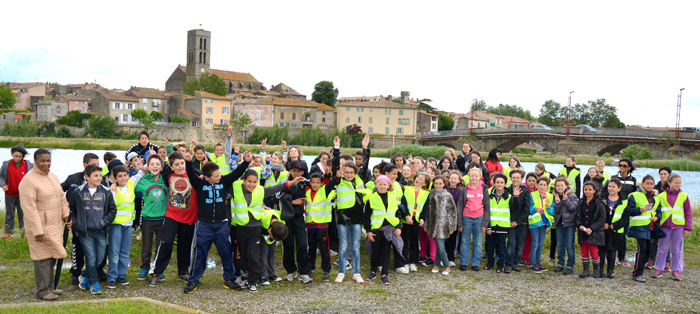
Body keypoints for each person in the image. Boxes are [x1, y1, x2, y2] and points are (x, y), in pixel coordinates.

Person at [183, 146, 250, 293]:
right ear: (206, 177)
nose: (219, 177)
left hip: (221, 224)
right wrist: (188, 162)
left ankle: (229, 279)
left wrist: (246, 162)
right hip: (205, 225)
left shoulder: (224, 182)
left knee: (226, 252)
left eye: (219, 174)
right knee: (200, 252)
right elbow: (190, 175)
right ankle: (193, 280)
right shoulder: (200, 184)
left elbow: (236, 173)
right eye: (215, 176)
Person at [19, 148, 73, 300]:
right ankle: (42, 291)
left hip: (54, 224)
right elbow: (29, 208)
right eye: (42, 160)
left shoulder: (52, 176)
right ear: (35, 161)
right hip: (40, 226)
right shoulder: (28, 180)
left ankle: (50, 287)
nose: (46, 163)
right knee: (42, 257)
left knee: (53, 255)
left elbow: (61, 197)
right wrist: (38, 229)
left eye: (48, 160)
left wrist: (66, 215)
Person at [149, 152, 199, 286]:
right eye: (177, 164)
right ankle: (156, 272)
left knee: (185, 245)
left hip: (189, 217)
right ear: (171, 167)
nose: (180, 166)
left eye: (182, 163)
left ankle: (183, 272)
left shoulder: (194, 175)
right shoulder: (168, 176)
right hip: (172, 215)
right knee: (166, 242)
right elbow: (158, 167)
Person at [69, 164, 117, 295]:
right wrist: (75, 222)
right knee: (90, 257)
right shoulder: (78, 192)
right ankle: (94, 284)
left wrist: (104, 221)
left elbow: (113, 210)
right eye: (95, 176)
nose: (99, 178)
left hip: (101, 231)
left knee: (100, 258)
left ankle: (85, 276)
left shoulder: (106, 192)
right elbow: (71, 209)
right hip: (85, 232)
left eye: (100, 175)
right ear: (87, 177)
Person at [61, 153, 100, 284]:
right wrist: (66, 212)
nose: (97, 167)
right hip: (77, 218)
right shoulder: (73, 178)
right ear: (85, 165)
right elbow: (58, 191)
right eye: (94, 165)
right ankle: (76, 271)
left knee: (96, 246)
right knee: (77, 245)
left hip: (94, 218)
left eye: (98, 165)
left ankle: (94, 271)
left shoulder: (100, 179)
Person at [134, 154, 168, 281]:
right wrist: (141, 171)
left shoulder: (166, 181)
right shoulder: (144, 181)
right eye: (152, 164)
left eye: (157, 164)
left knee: (160, 246)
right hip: (148, 219)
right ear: (148, 167)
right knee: (146, 246)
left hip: (162, 219)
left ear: (161, 167)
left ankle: (159, 269)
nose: (155, 166)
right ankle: (144, 268)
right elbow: (130, 185)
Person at [652, 173, 692, 281]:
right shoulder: (661, 196)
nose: (678, 184)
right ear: (669, 183)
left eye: (680, 183)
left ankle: (675, 270)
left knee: (676, 249)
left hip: (678, 226)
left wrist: (688, 228)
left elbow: (688, 213)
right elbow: (656, 210)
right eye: (676, 182)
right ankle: (659, 269)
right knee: (663, 248)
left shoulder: (684, 195)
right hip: (665, 226)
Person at [364, 175, 403, 285]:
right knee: (375, 252)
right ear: (376, 185)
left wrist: (398, 227)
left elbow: (397, 214)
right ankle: (373, 271)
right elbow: (367, 216)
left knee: (386, 252)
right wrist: (368, 231)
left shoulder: (392, 197)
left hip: (389, 229)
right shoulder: (371, 198)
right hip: (376, 229)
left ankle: (384, 274)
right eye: (380, 184)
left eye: (384, 184)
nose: (382, 186)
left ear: (388, 185)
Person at [105, 165, 138, 289]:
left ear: (128, 175)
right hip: (116, 225)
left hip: (128, 225)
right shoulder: (112, 191)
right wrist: (113, 186)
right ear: (115, 178)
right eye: (120, 176)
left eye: (125, 175)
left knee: (125, 252)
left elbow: (140, 174)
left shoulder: (130, 184)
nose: (123, 178)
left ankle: (121, 275)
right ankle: (112, 277)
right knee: (114, 252)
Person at [601, 157, 637, 268]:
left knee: (623, 235)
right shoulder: (613, 178)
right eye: (620, 165)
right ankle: (610, 257)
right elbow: (604, 190)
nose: (621, 167)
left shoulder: (633, 180)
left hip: (624, 207)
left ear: (629, 167)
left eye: (624, 166)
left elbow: (635, 193)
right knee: (609, 235)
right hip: (612, 207)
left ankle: (622, 258)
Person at [422, 175, 458, 275]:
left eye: (440, 184)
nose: (438, 185)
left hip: (444, 225)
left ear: (444, 184)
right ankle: (436, 265)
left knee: (440, 246)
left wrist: (452, 226)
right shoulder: (430, 194)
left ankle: (446, 266)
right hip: (433, 224)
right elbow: (427, 210)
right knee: (439, 245)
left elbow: (452, 212)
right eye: (436, 183)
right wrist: (426, 222)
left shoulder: (447, 195)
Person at [305, 172, 336, 282]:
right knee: (311, 249)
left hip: (322, 226)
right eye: (313, 182)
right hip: (310, 226)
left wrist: (334, 175)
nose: (315, 185)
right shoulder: (307, 192)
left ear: (322, 183)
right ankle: (311, 269)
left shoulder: (325, 191)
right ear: (310, 183)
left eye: (318, 182)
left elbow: (332, 183)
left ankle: (326, 271)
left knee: (324, 249)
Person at [457, 167, 489, 271]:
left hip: (479, 218)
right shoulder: (465, 189)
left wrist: (485, 223)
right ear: (469, 177)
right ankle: (464, 263)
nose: (474, 178)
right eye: (472, 176)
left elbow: (487, 207)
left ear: (480, 177)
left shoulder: (484, 189)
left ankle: (475, 263)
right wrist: (460, 223)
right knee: (465, 241)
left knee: (478, 242)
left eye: (476, 176)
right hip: (466, 217)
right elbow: (460, 206)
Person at [627, 175, 658, 283]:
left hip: (651, 228)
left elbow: (658, 212)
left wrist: (657, 217)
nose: (649, 186)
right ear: (643, 184)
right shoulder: (634, 195)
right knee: (642, 250)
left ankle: (638, 271)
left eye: (651, 184)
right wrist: (641, 209)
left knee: (648, 251)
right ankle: (638, 274)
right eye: (647, 183)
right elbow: (629, 211)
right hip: (638, 227)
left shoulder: (655, 198)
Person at [575, 181, 606, 278]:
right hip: (583, 231)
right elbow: (577, 216)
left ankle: (596, 270)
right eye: (585, 190)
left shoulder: (599, 203)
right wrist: (579, 225)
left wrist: (592, 228)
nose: (587, 192)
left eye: (590, 190)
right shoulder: (581, 202)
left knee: (593, 251)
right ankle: (586, 270)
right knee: (584, 251)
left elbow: (602, 218)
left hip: (594, 232)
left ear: (594, 191)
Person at [599, 178, 629, 279]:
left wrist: (615, 225)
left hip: (616, 230)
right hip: (603, 228)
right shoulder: (602, 199)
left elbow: (625, 218)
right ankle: (600, 269)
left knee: (612, 250)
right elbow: (597, 214)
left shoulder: (624, 202)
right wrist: (603, 224)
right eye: (609, 186)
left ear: (619, 188)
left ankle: (610, 270)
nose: (611, 189)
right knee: (602, 249)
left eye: (613, 187)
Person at [1, 145, 33, 239]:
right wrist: (3, 185)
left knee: (23, 213)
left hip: (23, 194)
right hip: (9, 193)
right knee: (9, 213)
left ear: (22, 156)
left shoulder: (28, 165)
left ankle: (24, 233)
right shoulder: (6, 165)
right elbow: (1, 176)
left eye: (20, 156)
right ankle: (8, 233)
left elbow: (33, 177)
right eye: (15, 156)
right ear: (11, 154)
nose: (17, 158)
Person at [401, 173, 430, 273]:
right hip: (406, 218)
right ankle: (404, 261)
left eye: (421, 179)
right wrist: (406, 216)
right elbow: (403, 204)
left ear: (425, 183)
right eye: (417, 177)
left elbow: (425, 208)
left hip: (416, 220)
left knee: (414, 241)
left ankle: (412, 261)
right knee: (405, 240)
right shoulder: (406, 189)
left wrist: (422, 218)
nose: (418, 179)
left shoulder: (426, 193)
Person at [552, 177, 579, 275]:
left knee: (570, 244)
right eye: (558, 185)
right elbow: (557, 212)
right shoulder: (555, 196)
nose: (559, 187)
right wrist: (558, 203)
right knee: (560, 244)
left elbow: (574, 208)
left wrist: (566, 201)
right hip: (560, 223)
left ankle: (570, 264)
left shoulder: (572, 195)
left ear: (566, 186)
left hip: (570, 223)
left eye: (561, 185)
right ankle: (560, 263)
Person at [484, 173, 511, 272]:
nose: (499, 184)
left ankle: (500, 265)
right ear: (494, 183)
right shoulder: (488, 194)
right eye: (497, 182)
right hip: (491, 226)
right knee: (490, 247)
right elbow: (486, 211)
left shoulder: (509, 196)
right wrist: (488, 227)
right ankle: (490, 262)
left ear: (505, 184)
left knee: (501, 247)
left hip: (503, 226)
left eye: (501, 182)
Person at [504, 169, 530, 273]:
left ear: (521, 179)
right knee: (511, 243)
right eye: (513, 177)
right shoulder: (507, 190)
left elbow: (526, 209)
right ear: (510, 178)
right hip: (510, 222)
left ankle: (516, 263)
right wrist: (511, 221)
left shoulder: (525, 191)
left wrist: (517, 221)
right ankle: (509, 264)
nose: (515, 179)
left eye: (517, 178)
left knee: (520, 244)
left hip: (521, 222)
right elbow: (506, 207)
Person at [528, 176, 555, 273]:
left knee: (540, 243)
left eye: (544, 185)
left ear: (547, 186)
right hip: (535, 222)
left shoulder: (550, 196)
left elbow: (552, 211)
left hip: (544, 222)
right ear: (537, 185)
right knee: (535, 243)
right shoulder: (532, 195)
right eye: (540, 184)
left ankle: (538, 262)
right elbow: (528, 209)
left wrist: (548, 208)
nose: (542, 186)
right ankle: (532, 263)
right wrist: (535, 209)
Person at [445, 171, 464, 267]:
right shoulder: (445, 190)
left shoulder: (460, 192)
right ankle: (443, 257)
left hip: (454, 218)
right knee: (444, 238)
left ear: (458, 181)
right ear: (448, 179)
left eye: (455, 178)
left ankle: (451, 257)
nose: (453, 180)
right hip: (444, 217)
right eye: (451, 178)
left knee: (453, 238)